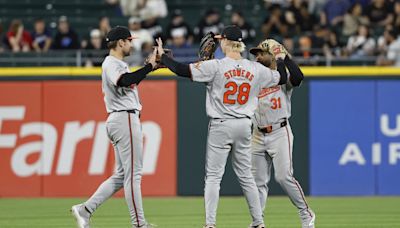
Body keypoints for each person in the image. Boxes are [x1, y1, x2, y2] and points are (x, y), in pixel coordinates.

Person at [156, 25, 288, 228]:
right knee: (246, 177)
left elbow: (182, 70)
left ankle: (210, 224)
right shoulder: (256, 69)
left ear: (226, 41)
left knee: (213, 178)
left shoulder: (216, 66)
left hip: (221, 124)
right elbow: (283, 78)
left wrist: (163, 58)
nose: (218, 43)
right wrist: (279, 58)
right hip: (245, 125)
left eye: (220, 40)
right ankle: (259, 223)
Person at [71, 26, 158, 228]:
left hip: (121, 119)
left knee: (121, 176)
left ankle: (85, 209)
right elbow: (125, 81)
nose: (131, 44)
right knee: (133, 176)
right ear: (120, 43)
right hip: (124, 119)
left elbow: (130, 80)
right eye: (129, 40)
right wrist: (148, 67)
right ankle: (139, 224)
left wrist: (151, 67)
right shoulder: (112, 63)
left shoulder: (117, 63)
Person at [249, 39, 316, 228]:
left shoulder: (282, 76)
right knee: (258, 182)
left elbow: (298, 77)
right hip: (257, 134)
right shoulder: (255, 77)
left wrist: (284, 58)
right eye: (256, 54)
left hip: (279, 131)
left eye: (261, 53)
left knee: (283, 176)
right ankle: (257, 222)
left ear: (272, 55)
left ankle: (306, 213)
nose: (257, 57)